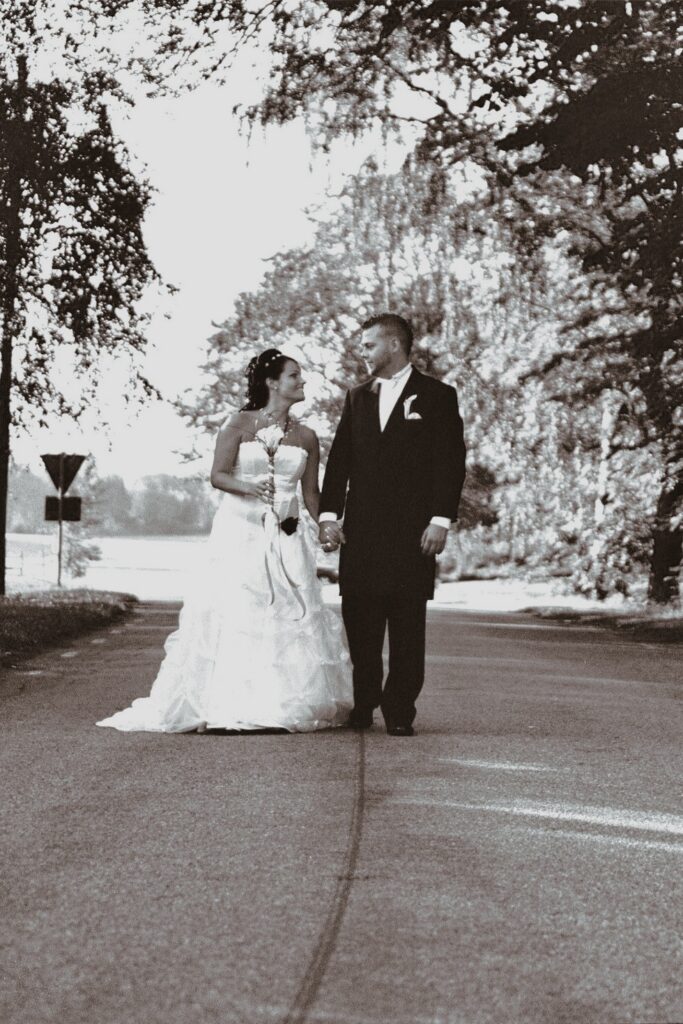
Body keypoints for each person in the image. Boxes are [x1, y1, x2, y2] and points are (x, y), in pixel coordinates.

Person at [97, 349, 353, 733]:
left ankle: (281, 704)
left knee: (287, 615)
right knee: (240, 613)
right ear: (272, 382)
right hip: (241, 532)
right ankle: (226, 703)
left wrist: (325, 526)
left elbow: (311, 493)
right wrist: (248, 487)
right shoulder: (237, 424)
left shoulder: (307, 437)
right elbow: (217, 475)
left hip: (286, 534)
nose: (302, 381)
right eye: (294, 375)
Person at [319, 313, 466, 736]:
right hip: (361, 532)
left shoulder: (438, 396)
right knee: (360, 622)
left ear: (394, 345)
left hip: (413, 532)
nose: (362, 352)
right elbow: (340, 461)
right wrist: (328, 517)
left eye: (369, 345)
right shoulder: (357, 397)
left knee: (406, 626)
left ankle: (400, 710)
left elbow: (450, 462)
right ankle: (363, 704)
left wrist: (440, 519)